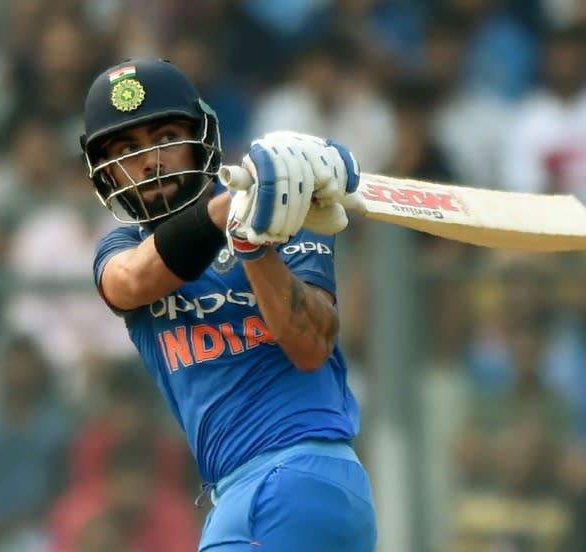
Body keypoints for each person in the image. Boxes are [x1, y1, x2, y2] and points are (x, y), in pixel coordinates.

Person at [80, 58, 376, 551]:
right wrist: (229, 213)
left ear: (201, 137)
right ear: (106, 171)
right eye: (127, 150)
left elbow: (311, 346)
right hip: (242, 495)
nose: (149, 161)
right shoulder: (121, 249)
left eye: (164, 137)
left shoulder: (281, 209)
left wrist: (252, 243)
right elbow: (128, 284)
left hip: (293, 478)